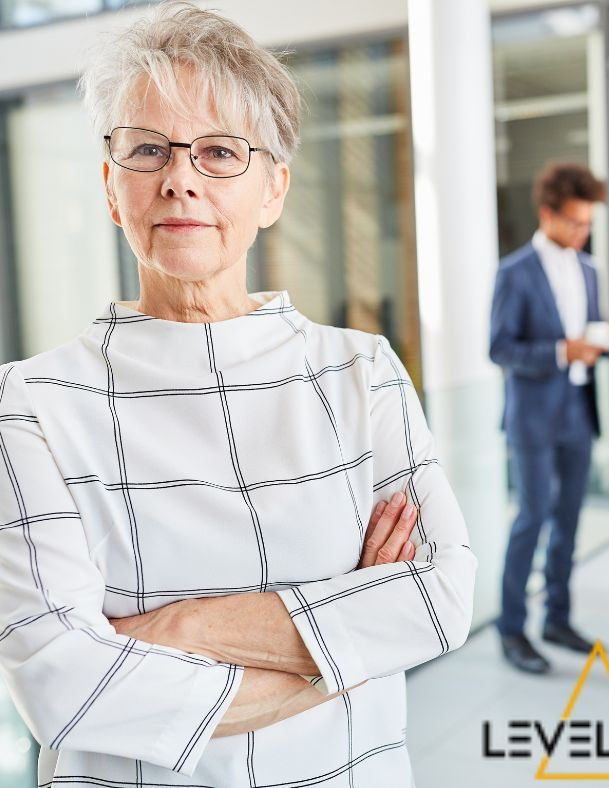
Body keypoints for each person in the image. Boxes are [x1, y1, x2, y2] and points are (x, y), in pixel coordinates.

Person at [0, 5, 476, 787]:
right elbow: (65, 686)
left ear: (274, 190)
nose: (179, 177)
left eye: (219, 151)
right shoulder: (32, 402)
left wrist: (177, 628)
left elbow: (440, 597)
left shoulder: (362, 371)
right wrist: (347, 640)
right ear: (113, 190)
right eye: (147, 149)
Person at [490, 162, 609, 674]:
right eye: (574, 222)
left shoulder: (588, 269)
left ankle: (558, 618)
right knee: (532, 518)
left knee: (569, 519)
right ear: (547, 214)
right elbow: (500, 348)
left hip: (576, 410)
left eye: (588, 223)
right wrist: (560, 352)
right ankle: (510, 628)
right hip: (532, 414)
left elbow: (585, 338)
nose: (582, 232)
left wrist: (606, 340)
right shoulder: (515, 271)